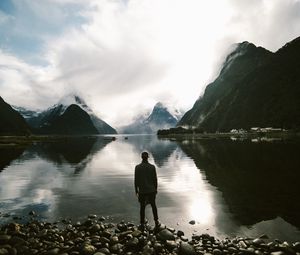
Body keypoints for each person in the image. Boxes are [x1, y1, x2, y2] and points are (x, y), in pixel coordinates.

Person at [134, 151, 159, 229]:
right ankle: (156, 221)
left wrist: (136, 190)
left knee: (142, 207)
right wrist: (156, 189)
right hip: (151, 190)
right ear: (148, 157)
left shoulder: (137, 167)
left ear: (141, 157)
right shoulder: (152, 167)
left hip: (142, 191)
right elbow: (155, 179)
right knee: (153, 205)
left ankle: (142, 223)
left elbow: (136, 180)